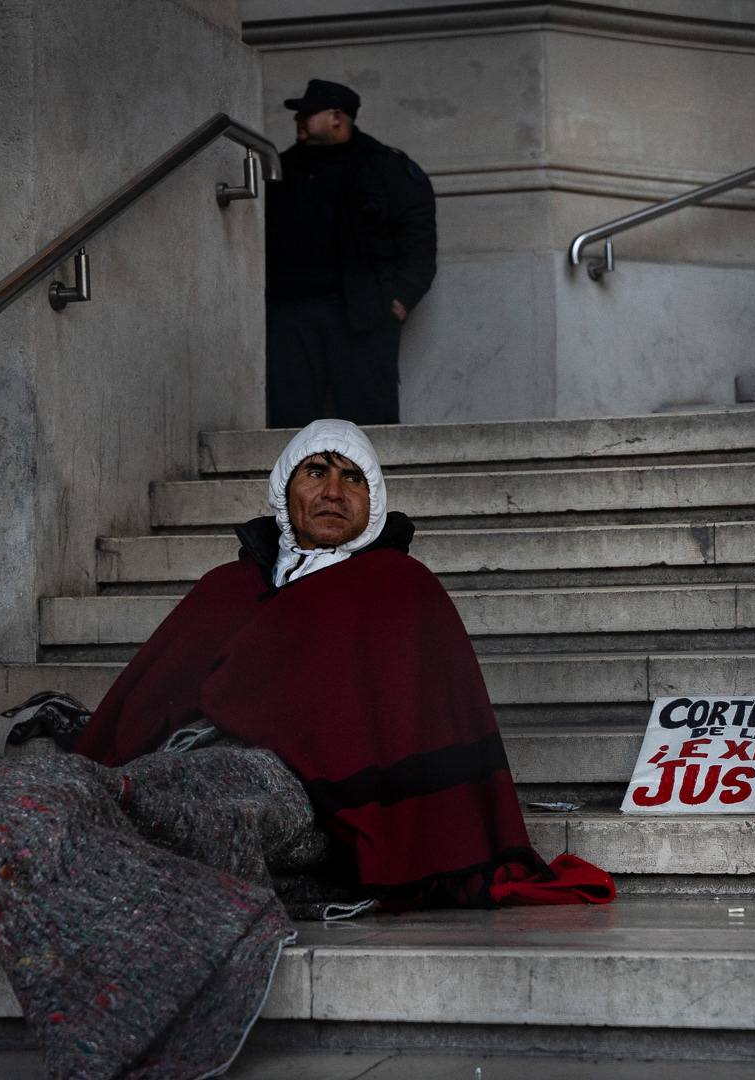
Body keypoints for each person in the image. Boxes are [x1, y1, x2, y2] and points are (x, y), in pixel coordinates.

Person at [75, 420, 612, 910]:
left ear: (372, 501)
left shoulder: (398, 588)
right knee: (107, 788)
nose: (333, 491)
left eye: (353, 478)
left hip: (314, 799)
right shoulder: (227, 588)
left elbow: (424, 726)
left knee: (191, 806)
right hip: (192, 757)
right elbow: (145, 703)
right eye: (316, 472)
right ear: (286, 490)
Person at [264, 79, 437, 429]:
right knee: (290, 422)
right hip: (292, 314)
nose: (299, 119)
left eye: (308, 112)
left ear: (337, 117)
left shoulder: (385, 168)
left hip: (362, 314)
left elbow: (418, 236)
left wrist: (402, 297)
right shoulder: (280, 169)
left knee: (369, 419)